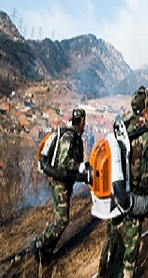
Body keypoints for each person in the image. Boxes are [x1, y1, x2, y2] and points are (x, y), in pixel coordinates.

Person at [98, 86, 148, 278]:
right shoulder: (147, 135)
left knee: (112, 245)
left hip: (115, 200)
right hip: (132, 204)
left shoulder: (122, 128)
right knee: (129, 253)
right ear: (146, 108)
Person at [31, 108, 87, 264]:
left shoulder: (75, 137)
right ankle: (39, 245)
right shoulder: (70, 137)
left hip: (65, 183)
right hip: (60, 183)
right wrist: (78, 167)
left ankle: (47, 251)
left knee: (61, 220)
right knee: (61, 220)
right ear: (81, 121)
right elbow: (64, 162)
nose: (84, 124)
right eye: (83, 121)